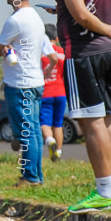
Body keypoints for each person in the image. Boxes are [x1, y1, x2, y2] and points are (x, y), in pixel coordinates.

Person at [43, 0, 111, 211]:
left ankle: (103, 192)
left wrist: (107, 27)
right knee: (109, 120)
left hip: (84, 53)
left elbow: (81, 15)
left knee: (91, 122)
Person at [0, 0, 51, 187]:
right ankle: (36, 175)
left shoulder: (15, 21)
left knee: (26, 132)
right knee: (32, 130)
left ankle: (30, 177)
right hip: (35, 81)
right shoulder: (35, 18)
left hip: (20, 84)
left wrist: (3, 47)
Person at [40, 23, 67, 163]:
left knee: (44, 122)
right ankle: (58, 151)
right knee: (58, 123)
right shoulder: (61, 53)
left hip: (45, 92)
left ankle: (50, 140)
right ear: (56, 38)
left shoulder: (40, 53)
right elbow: (64, 74)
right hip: (61, 92)